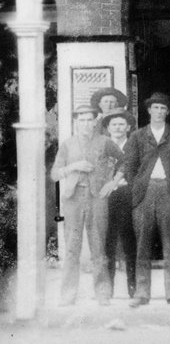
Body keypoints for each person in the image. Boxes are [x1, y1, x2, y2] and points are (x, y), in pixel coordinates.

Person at [123, 91, 170, 307]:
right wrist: (138, 188)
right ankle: (142, 293)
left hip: (169, 193)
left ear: (168, 112)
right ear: (149, 110)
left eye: (163, 108)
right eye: (156, 108)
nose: (159, 112)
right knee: (142, 245)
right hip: (145, 193)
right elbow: (129, 167)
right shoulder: (137, 136)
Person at [51, 103, 122, 306]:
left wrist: (113, 182)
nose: (85, 123)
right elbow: (55, 173)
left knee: (98, 246)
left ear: (95, 121)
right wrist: (74, 166)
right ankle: (68, 295)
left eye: (89, 119)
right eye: (81, 119)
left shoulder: (105, 142)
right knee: (72, 248)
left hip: (97, 198)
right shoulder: (67, 144)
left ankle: (102, 294)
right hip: (73, 199)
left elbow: (125, 161)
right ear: (76, 122)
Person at [102, 107, 137, 299]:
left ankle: (133, 287)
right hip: (107, 198)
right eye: (114, 124)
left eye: (121, 124)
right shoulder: (103, 147)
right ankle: (107, 289)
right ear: (108, 128)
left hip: (129, 196)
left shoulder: (134, 146)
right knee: (108, 242)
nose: (117, 127)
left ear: (128, 127)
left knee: (129, 242)